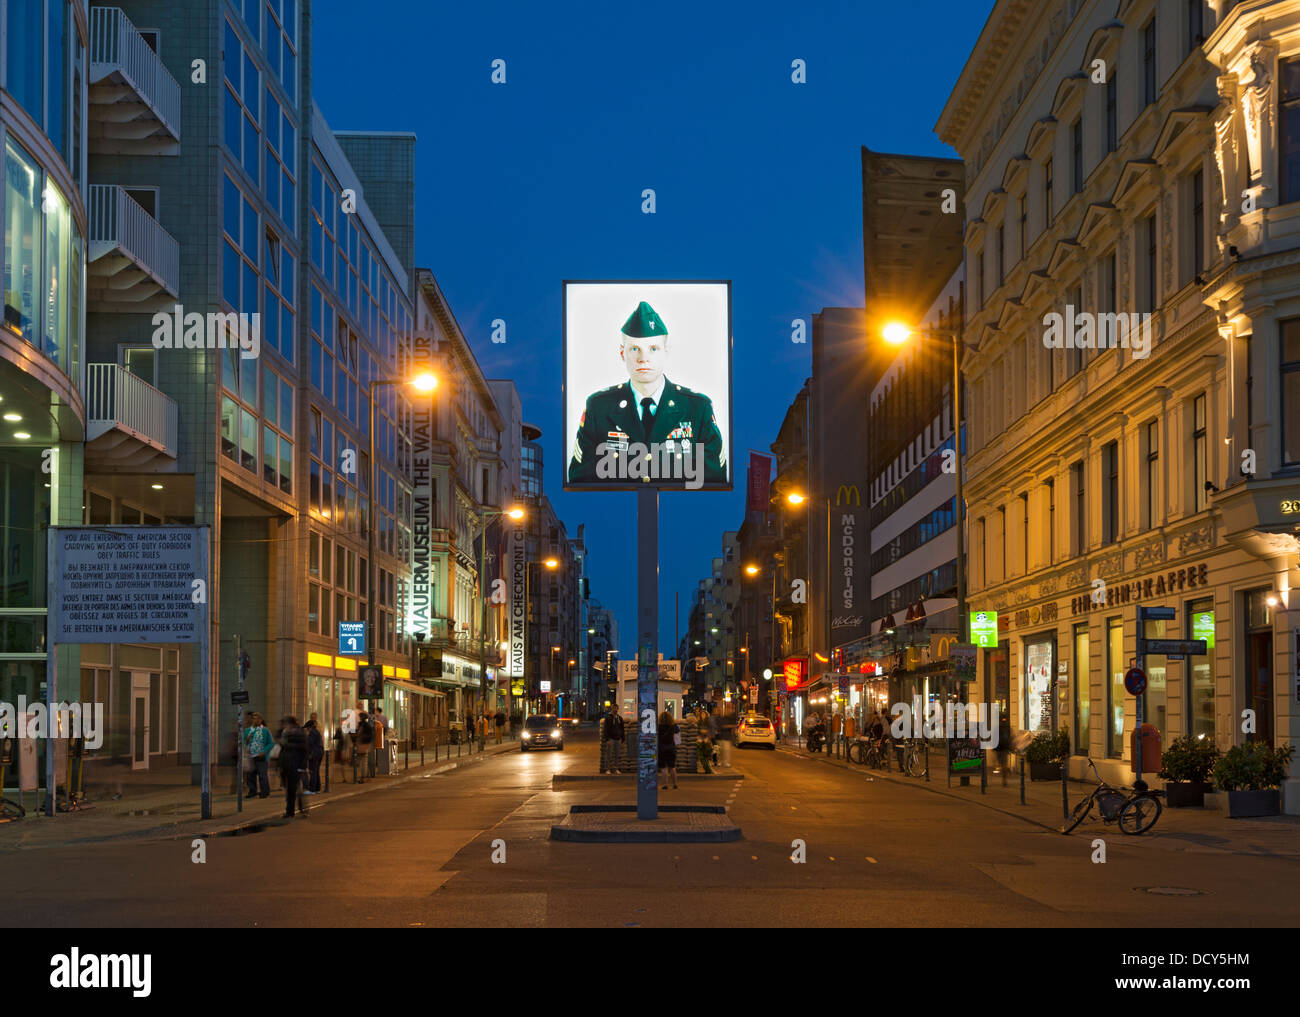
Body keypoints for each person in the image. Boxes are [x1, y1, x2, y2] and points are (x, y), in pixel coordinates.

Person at [567, 300, 726, 485]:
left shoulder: (697, 408)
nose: (643, 359)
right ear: (622, 353)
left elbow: (715, 477)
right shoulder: (599, 407)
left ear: (666, 352)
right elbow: (581, 479)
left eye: (653, 349)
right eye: (635, 349)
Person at [277, 716, 309, 818]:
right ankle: (295, 810)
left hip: (295, 765)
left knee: (293, 789)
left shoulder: (298, 734)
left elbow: (304, 750)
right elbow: (282, 751)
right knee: (292, 789)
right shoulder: (286, 733)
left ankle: (297, 810)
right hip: (288, 765)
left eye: (286, 723)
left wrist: (302, 766)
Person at [242, 713, 273, 799]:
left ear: (261, 720)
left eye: (258, 719)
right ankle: (252, 791)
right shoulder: (247, 730)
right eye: (254, 719)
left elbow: (271, 743)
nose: (256, 720)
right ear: (252, 720)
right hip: (251, 756)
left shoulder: (265, 730)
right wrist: (247, 740)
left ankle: (265, 792)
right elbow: (244, 743)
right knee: (250, 776)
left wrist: (264, 751)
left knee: (262, 775)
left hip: (261, 756)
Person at [657, 710, 679, 790]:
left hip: (661, 748)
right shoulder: (673, 726)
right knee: (672, 766)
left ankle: (665, 784)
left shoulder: (658, 727)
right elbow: (677, 733)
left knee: (663, 768)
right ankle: (675, 784)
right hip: (671, 748)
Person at [601, 706, 625, 773]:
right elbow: (605, 729)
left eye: (616, 708)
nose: (615, 710)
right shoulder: (608, 718)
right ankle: (607, 769)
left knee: (617, 755)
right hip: (611, 739)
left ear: (618, 709)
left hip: (618, 739)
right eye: (614, 708)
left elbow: (622, 729)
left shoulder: (620, 718)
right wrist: (607, 739)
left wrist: (623, 739)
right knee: (609, 754)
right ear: (612, 709)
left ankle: (616, 768)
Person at [304, 714, 324, 793]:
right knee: (316, 771)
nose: (306, 730)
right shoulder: (317, 732)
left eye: (307, 728)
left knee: (312, 771)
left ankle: (312, 789)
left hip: (314, 753)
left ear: (310, 727)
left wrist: (308, 754)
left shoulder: (312, 733)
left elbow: (309, 744)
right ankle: (317, 788)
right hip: (319, 752)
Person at [355, 709, 373, 781]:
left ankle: (363, 776)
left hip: (364, 743)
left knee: (363, 760)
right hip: (361, 743)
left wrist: (361, 736)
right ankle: (363, 775)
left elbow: (369, 735)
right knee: (361, 760)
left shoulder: (365, 725)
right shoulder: (362, 724)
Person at [695, 708, 713, 774]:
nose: (703, 715)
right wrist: (700, 731)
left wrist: (707, 733)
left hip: (706, 739)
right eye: (702, 714)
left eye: (704, 714)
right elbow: (697, 730)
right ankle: (707, 769)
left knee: (706, 755)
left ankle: (708, 769)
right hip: (700, 739)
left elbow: (710, 730)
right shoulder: (699, 722)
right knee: (701, 755)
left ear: (706, 715)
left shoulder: (708, 722)